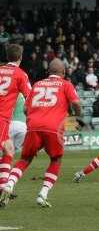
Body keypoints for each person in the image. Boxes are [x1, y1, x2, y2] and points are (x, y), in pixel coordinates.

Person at [0, 58, 81, 207]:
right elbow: (76, 102)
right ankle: (42, 194)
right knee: (56, 159)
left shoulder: (37, 84)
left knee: (25, 159)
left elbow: (25, 109)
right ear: (63, 72)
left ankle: (9, 184)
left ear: (48, 71)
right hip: (53, 128)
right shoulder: (66, 84)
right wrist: (76, 115)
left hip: (33, 126)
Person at [0, 44, 31, 191]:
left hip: (4, 120)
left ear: (7, 56)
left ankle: (3, 187)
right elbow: (29, 98)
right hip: (2, 117)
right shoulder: (20, 74)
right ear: (20, 57)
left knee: (9, 149)